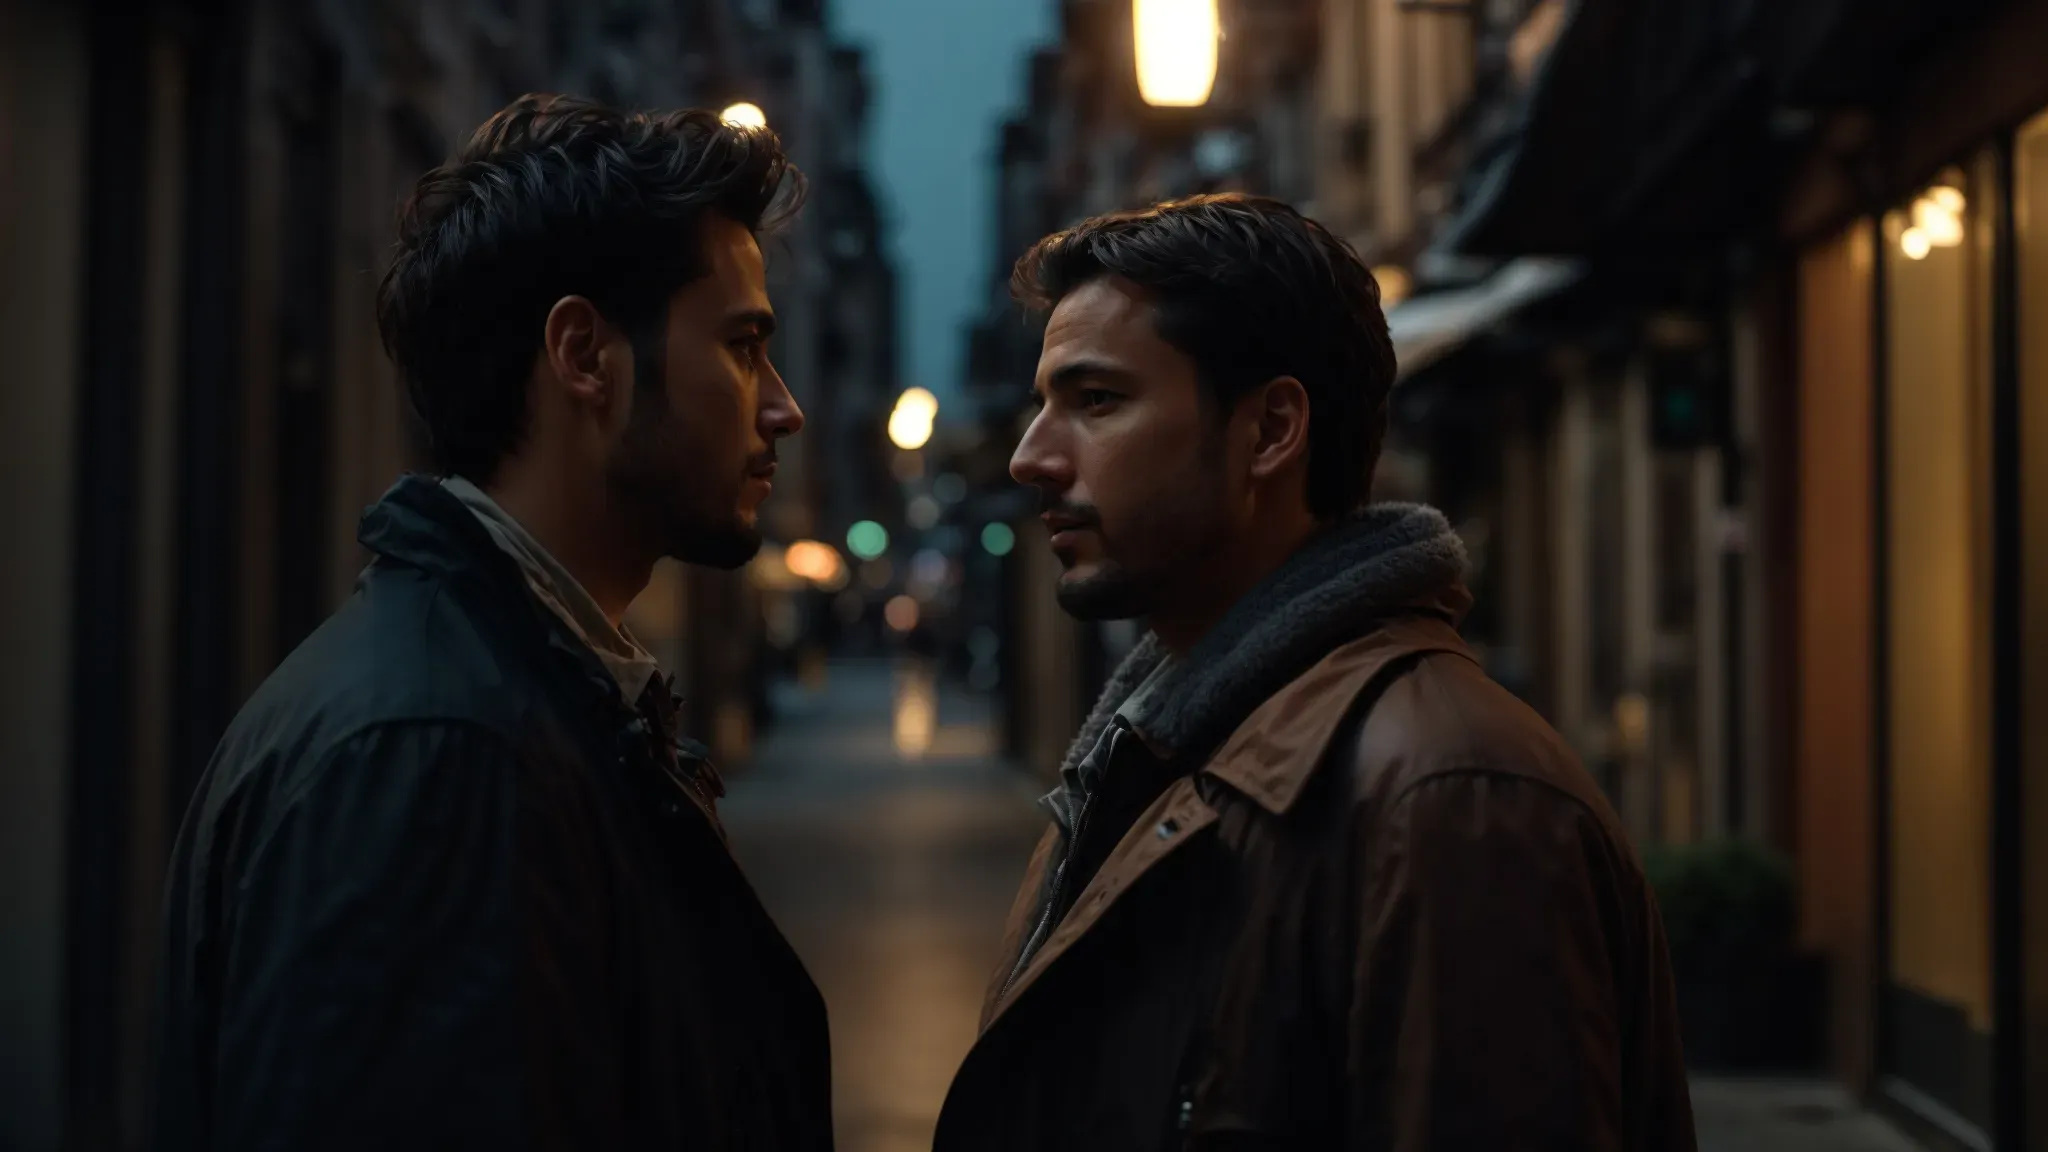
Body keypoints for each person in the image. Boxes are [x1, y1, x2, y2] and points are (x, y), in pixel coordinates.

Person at [935, 194, 1696, 1151]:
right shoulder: (1158, 751)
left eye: (1097, 402)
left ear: (1270, 430)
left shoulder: (1447, 798)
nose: (1031, 457)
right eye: (1044, 404)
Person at [150, 94, 831, 1151]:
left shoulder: (497, 702)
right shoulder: (438, 754)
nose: (782, 406)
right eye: (743, 345)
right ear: (584, 356)